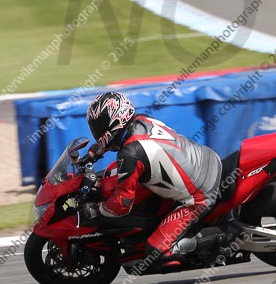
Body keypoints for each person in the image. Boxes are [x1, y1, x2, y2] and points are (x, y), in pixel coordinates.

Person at [81, 90, 222, 271]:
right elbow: (114, 140)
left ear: (116, 120)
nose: (97, 131)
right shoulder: (142, 121)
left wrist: (95, 210)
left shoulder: (130, 154)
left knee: (156, 253)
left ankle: (221, 238)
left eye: (100, 125)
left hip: (199, 195)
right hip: (205, 158)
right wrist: (95, 152)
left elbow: (121, 204)